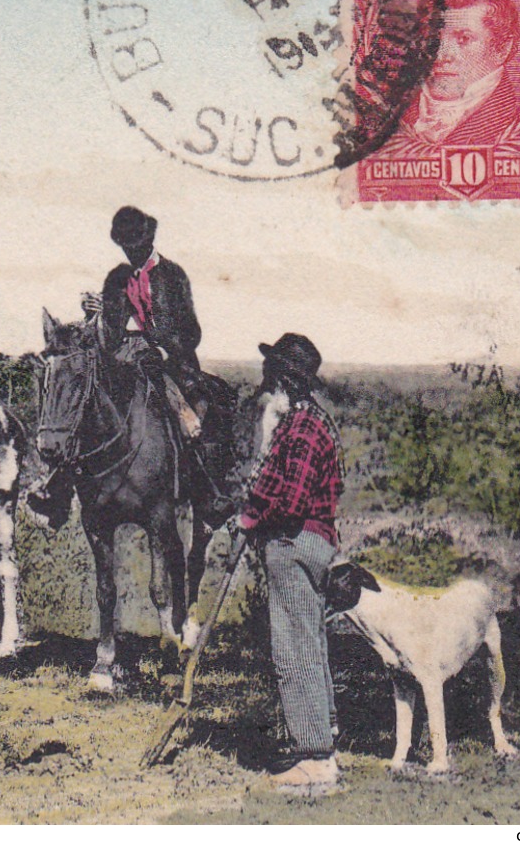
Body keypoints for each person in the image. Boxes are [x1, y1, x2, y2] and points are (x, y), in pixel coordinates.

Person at [237, 332, 344, 790]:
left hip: (293, 543)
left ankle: (316, 760)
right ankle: (324, 738)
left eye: (272, 369)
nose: (266, 377)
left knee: (294, 649)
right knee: (310, 643)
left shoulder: (302, 428)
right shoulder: (315, 422)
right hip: (307, 543)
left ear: (283, 377)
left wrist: (251, 519)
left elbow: (292, 502)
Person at [84, 206, 205, 438]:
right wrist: (96, 313)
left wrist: (166, 349)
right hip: (138, 356)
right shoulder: (118, 278)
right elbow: (112, 335)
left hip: (177, 361)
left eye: (134, 245)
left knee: (190, 426)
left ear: (147, 240)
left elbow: (191, 331)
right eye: (125, 246)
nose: (130, 252)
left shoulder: (172, 274)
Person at [398, 0, 520, 147]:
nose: (440, 55)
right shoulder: (394, 116)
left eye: (464, 39)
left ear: (502, 49)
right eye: (432, 39)